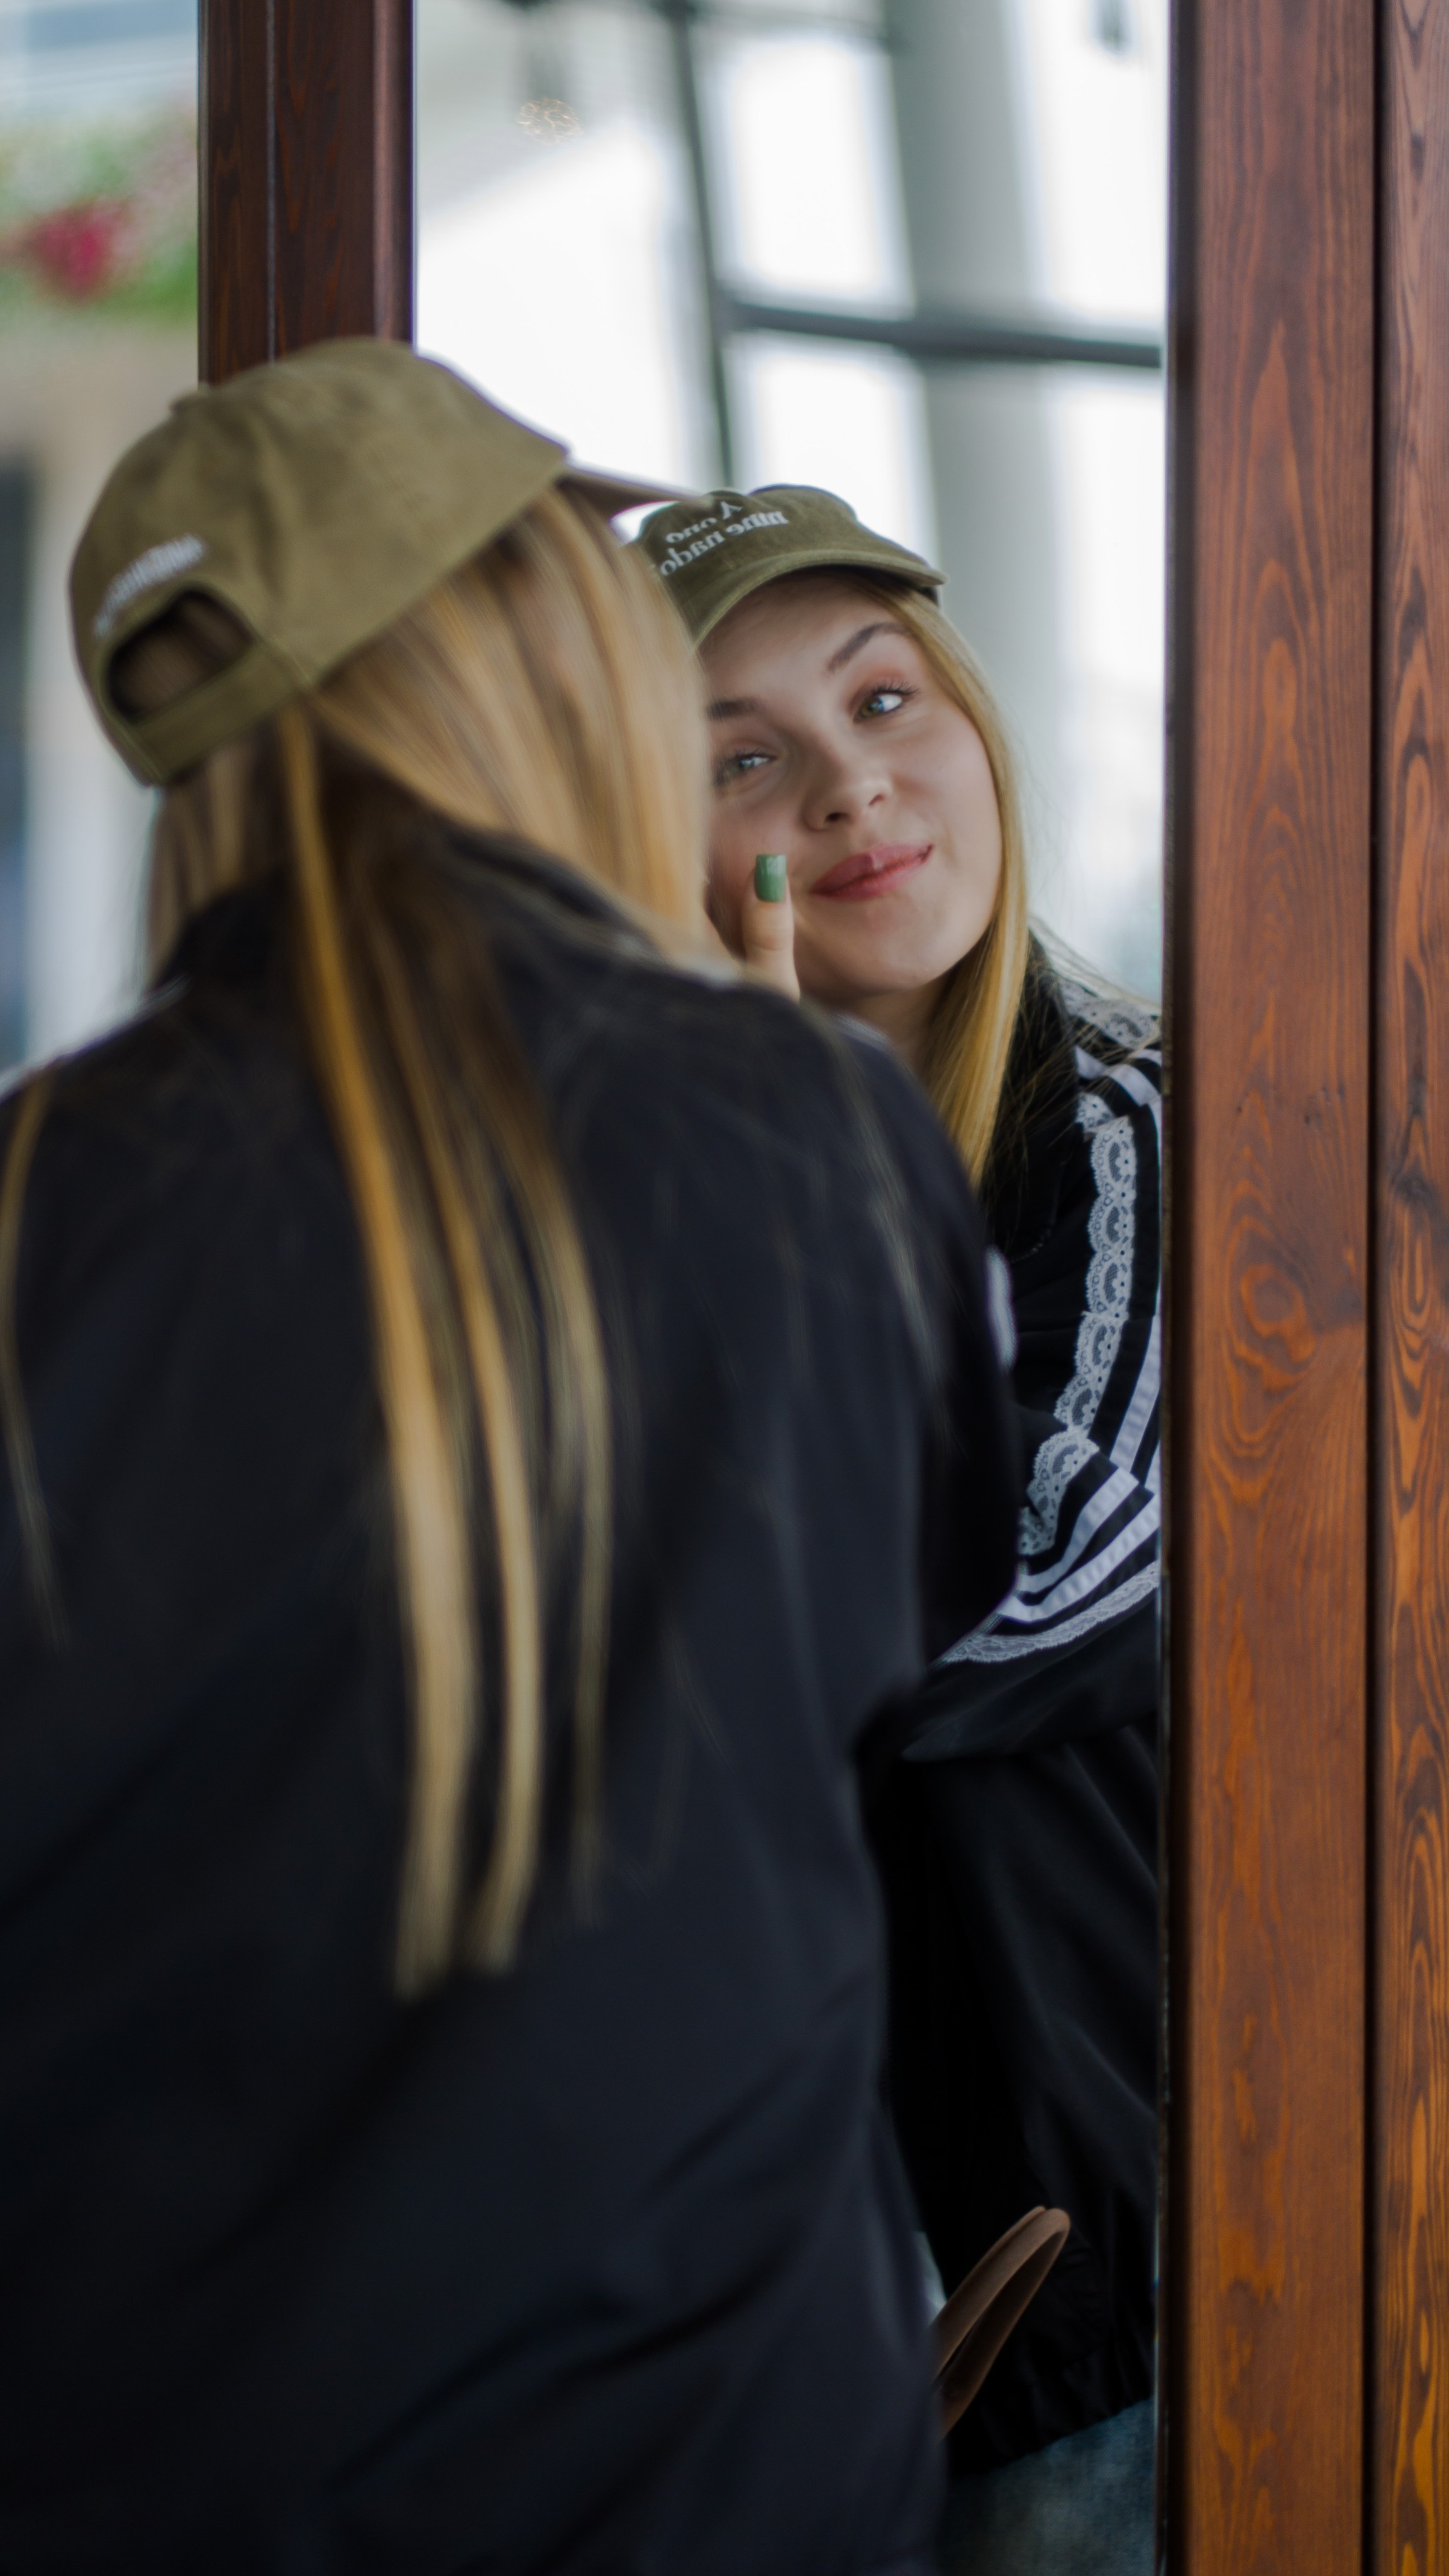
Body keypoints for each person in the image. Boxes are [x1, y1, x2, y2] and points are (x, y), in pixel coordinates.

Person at [0, 352, 1023, 2573]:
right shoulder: (808, 1142)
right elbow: (922, 1612)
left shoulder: (23, 1204)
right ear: (528, 640)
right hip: (708, 2484)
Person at [633, 486, 1161, 2575]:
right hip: (735, 2352)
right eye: (744, 753)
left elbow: (1024, 1608)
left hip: (1099, 2330)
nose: (854, 784)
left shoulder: (1147, 1151)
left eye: (886, 697)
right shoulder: (611, 1195)